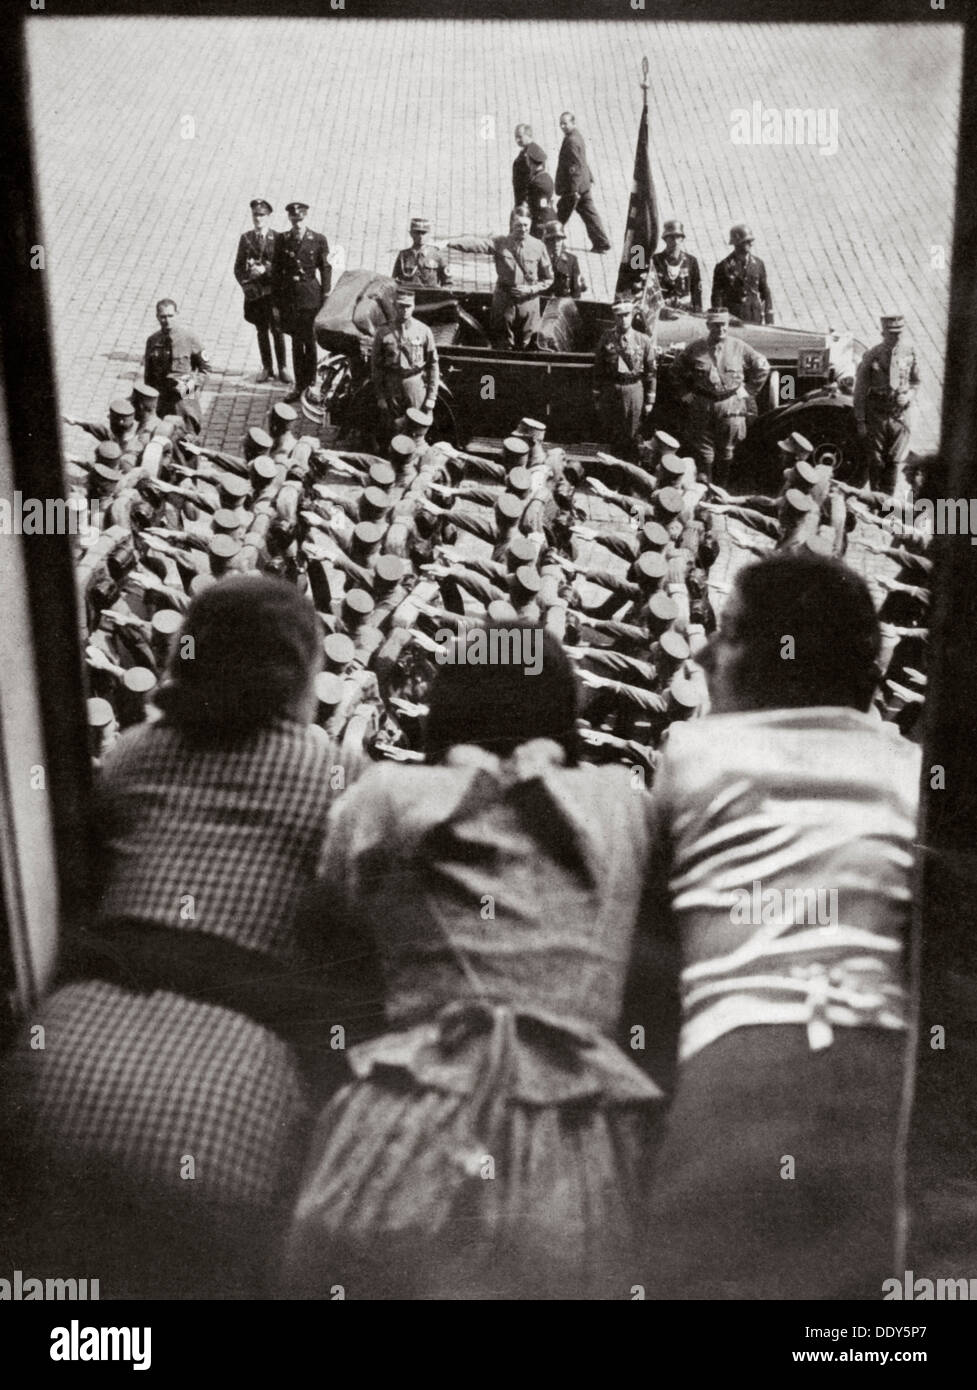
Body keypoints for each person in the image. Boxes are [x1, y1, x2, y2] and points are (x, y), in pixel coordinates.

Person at [280, 627, 667, 1300]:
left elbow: (324, 941)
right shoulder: (623, 808)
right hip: (575, 1146)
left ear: (443, 710)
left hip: (399, 1134)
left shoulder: (383, 801)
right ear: (562, 713)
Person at [0, 578, 336, 1298]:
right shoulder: (334, 772)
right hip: (224, 1104)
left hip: (59, 1066)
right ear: (300, 673)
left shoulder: (131, 752)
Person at [640, 551, 919, 1300]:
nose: (702, 652)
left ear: (766, 655)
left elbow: (648, 960)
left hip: (733, 1078)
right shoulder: (910, 773)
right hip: (878, 1088)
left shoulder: (695, 753)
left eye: (725, 633)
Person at [671, 306, 769, 485]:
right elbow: (676, 369)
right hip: (703, 404)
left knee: (727, 450)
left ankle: (721, 489)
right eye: (716, 325)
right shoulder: (696, 348)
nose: (721, 329)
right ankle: (704, 489)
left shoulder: (739, 347)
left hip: (730, 404)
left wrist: (747, 391)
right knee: (704, 451)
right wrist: (684, 393)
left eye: (724, 325)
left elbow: (763, 367)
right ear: (708, 325)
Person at [443, 213, 553, 350]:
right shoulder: (500, 242)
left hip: (529, 303)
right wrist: (449, 243)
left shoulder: (538, 246)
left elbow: (548, 279)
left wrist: (531, 289)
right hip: (504, 301)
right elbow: (477, 244)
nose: (523, 229)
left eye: (526, 225)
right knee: (502, 340)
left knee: (527, 341)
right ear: (512, 225)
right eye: (519, 225)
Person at [853, 314, 921, 494]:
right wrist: (861, 420)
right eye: (891, 333)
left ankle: (887, 504)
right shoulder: (872, 355)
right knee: (876, 461)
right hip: (877, 413)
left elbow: (916, 382)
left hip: (899, 414)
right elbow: (860, 390)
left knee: (894, 460)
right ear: (883, 333)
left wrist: (909, 396)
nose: (895, 337)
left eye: (899, 333)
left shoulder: (910, 353)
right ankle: (875, 500)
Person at [273, 201, 332, 401]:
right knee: (297, 343)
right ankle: (299, 384)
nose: (297, 223)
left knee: (310, 341)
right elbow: (277, 270)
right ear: (289, 219)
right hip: (290, 297)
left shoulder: (317, 239)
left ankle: (312, 383)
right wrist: (277, 300)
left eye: (300, 219)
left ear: (305, 218)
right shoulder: (282, 239)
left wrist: (325, 295)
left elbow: (325, 268)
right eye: (293, 219)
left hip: (310, 296)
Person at [370, 284, 440, 437]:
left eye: (408, 306)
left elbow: (433, 364)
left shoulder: (423, 331)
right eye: (401, 306)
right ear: (395, 306)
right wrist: (380, 396)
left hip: (415, 385)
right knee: (393, 428)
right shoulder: (383, 332)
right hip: (392, 385)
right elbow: (376, 366)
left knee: (417, 429)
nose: (404, 310)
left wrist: (431, 397)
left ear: (414, 307)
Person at [234, 197, 291, 385]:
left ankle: (283, 367)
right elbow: (238, 267)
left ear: (268, 217)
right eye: (255, 215)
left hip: (273, 293)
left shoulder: (278, 239)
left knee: (277, 329)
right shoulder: (246, 238)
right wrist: (246, 285)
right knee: (261, 330)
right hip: (255, 295)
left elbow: (284, 267)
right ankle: (267, 367)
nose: (258, 219)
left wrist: (265, 270)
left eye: (262, 215)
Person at [593, 296, 657, 459]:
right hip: (611, 389)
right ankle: (614, 474)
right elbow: (599, 368)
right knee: (614, 434)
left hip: (634, 389)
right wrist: (597, 395)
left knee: (633, 433)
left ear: (633, 315)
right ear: (614, 317)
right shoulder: (606, 338)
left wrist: (649, 401)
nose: (623, 319)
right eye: (619, 316)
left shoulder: (643, 340)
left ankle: (631, 473)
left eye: (627, 315)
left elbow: (650, 372)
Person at [142, 298, 212, 428]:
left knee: (189, 428)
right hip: (162, 396)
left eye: (170, 316)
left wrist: (191, 384)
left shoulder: (189, 338)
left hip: (185, 393)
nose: (167, 321)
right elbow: (149, 375)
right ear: (157, 317)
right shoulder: (153, 341)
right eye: (163, 317)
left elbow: (206, 369)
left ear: (177, 314)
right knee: (162, 431)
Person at [555, 111, 611, 254]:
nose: (563, 126)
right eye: (561, 123)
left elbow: (575, 166)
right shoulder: (576, 135)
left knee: (561, 215)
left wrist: (574, 190)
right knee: (589, 214)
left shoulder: (571, 141)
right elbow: (582, 160)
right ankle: (601, 242)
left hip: (574, 188)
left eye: (565, 123)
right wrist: (589, 177)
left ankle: (550, 239)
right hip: (583, 184)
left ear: (573, 123)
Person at [711, 224, 774, 325]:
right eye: (747, 241)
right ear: (737, 242)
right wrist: (720, 321)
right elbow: (717, 297)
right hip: (734, 319)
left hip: (755, 317)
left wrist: (769, 319)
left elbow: (765, 292)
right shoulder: (723, 267)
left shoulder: (758, 264)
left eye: (751, 241)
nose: (751, 244)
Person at [651, 219, 703, 311]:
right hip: (662, 310)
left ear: (682, 239)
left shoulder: (691, 261)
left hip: (685, 310)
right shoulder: (656, 260)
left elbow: (696, 290)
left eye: (678, 237)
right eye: (671, 237)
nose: (675, 241)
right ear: (665, 239)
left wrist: (697, 309)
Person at [392, 217, 452, 288]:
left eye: (424, 233)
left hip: (429, 296)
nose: (421, 236)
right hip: (409, 295)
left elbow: (448, 282)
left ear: (429, 234)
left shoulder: (437, 256)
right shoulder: (403, 255)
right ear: (411, 233)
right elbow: (394, 280)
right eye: (417, 233)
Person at [544, 222, 586, 299]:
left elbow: (576, 289)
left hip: (563, 303)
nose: (556, 243)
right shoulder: (540, 258)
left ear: (563, 240)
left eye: (559, 239)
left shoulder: (571, 260)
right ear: (546, 241)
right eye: (552, 240)